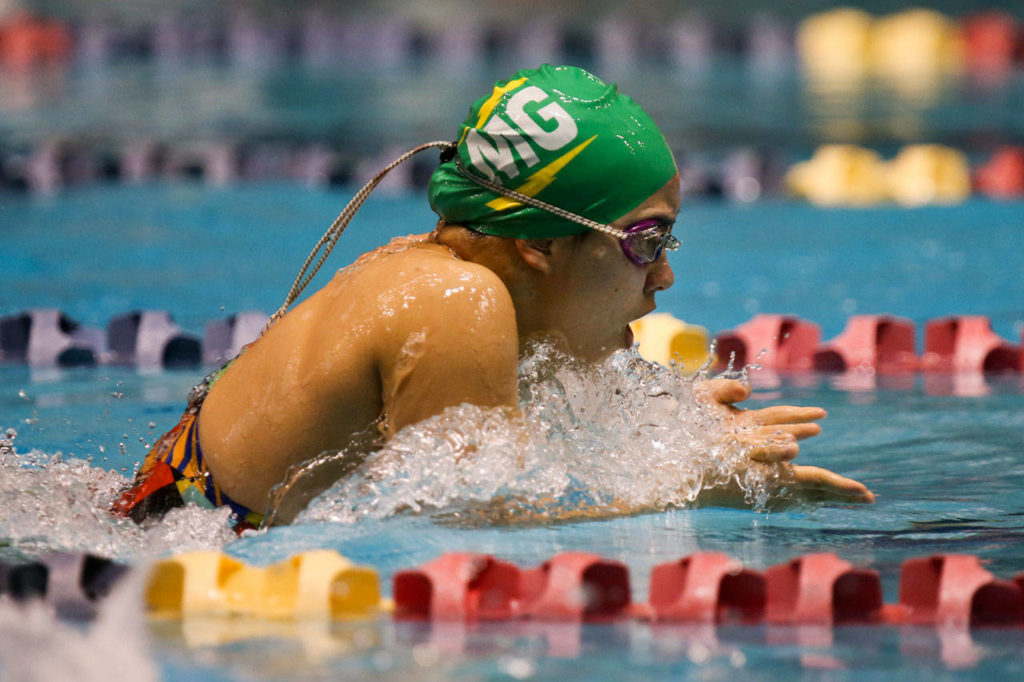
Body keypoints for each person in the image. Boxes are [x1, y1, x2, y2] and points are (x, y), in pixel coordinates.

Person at [113, 65, 873, 531]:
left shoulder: (426, 269)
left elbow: (475, 472)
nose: (663, 278)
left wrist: (675, 434)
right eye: (646, 241)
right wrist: (696, 489)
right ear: (539, 243)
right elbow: (469, 524)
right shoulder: (456, 301)